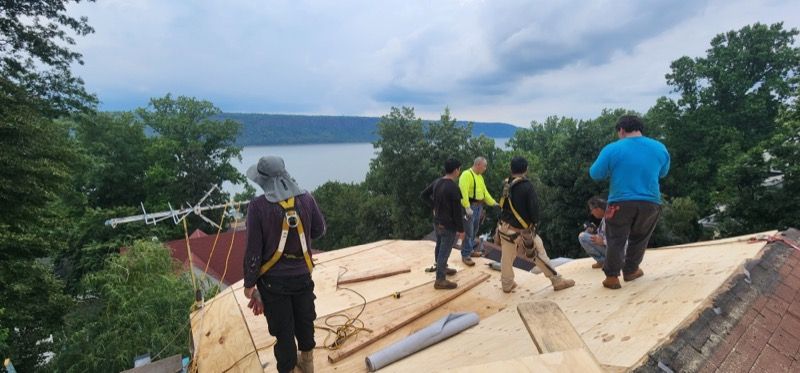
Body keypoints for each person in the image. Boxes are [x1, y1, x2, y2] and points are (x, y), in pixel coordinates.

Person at [243, 156, 326, 373]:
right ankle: (307, 363)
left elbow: (254, 250)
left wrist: (249, 285)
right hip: (302, 276)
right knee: (305, 320)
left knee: (284, 330)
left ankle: (289, 369)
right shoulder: (306, 199)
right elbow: (319, 230)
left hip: (273, 282)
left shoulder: (258, 207)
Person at [589, 115, 670, 290]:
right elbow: (663, 173)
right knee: (640, 237)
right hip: (650, 201)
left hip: (620, 202)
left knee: (616, 238)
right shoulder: (659, 148)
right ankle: (631, 271)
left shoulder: (613, 149)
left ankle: (612, 277)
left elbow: (595, 173)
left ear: (621, 130)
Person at [496, 156, 575, 293]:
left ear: (511, 169)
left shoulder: (506, 184)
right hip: (520, 231)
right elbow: (534, 210)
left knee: (506, 257)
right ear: (526, 169)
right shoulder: (527, 186)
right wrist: (535, 223)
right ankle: (557, 280)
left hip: (503, 227)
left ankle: (507, 284)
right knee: (539, 254)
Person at [420, 158, 465, 290]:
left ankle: (442, 268)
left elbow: (423, 195)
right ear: (456, 170)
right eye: (459, 169)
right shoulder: (453, 188)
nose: (459, 171)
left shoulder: (437, 182)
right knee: (444, 251)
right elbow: (457, 212)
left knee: (440, 246)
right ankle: (440, 279)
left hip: (437, 221)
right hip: (448, 225)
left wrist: (434, 206)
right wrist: (461, 231)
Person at [458, 156, 497, 266]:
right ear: (478, 164)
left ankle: (470, 250)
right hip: (470, 207)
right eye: (484, 166)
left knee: (475, 230)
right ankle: (465, 255)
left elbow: (485, 192)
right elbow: (463, 191)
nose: (485, 168)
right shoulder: (466, 175)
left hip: (478, 207)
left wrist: (493, 202)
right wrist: (466, 207)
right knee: (469, 231)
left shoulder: (480, 177)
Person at [578, 196, 608, 269]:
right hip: (613, 249)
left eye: (592, 210)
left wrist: (603, 241)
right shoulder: (607, 216)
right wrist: (592, 230)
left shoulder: (611, 219)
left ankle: (603, 261)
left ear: (597, 209)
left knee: (582, 236)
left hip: (619, 252)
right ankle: (604, 261)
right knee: (586, 233)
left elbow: (620, 239)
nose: (591, 213)